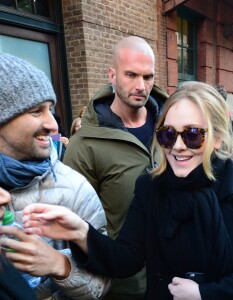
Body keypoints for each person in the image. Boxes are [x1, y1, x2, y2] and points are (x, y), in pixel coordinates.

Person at [24, 82, 233, 300]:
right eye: (168, 134)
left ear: (217, 138)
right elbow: (127, 258)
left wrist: (205, 294)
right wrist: (80, 232)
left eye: (193, 134)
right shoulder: (151, 187)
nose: (178, 146)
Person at [63, 36, 168, 300]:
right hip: (123, 285)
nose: (140, 86)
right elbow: (77, 226)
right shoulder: (84, 144)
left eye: (148, 77)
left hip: (176, 276)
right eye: (131, 75)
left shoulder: (173, 125)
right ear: (112, 74)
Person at [0, 53, 110, 299]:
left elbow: (101, 286)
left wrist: (60, 266)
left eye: (50, 109)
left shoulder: (73, 187)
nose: (53, 125)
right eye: (36, 111)